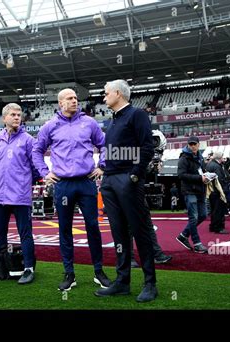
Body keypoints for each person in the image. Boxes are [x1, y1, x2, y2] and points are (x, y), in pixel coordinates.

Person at [32, 88, 111, 291]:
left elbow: (105, 145)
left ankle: (99, 271)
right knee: (65, 229)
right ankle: (69, 273)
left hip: (86, 182)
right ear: (60, 103)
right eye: (70, 98)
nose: (75, 101)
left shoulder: (89, 123)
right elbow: (36, 150)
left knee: (93, 226)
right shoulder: (50, 126)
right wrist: (44, 172)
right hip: (63, 184)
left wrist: (102, 165)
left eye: (76, 98)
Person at [95, 79, 157, 302]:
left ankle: (150, 283)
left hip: (127, 179)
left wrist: (135, 174)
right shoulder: (112, 121)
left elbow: (148, 147)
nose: (104, 97)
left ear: (118, 93)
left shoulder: (136, 115)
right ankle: (122, 281)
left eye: (106, 92)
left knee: (139, 231)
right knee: (118, 233)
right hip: (110, 181)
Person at [0, 103, 37, 285]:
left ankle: (28, 269)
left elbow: (35, 167)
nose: (17, 117)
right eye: (13, 114)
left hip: (20, 195)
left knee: (25, 233)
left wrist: (23, 182)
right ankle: (0, 267)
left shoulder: (28, 140)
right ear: (4, 119)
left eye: (19, 115)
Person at [175, 136, 209, 253]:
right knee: (193, 217)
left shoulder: (200, 157)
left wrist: (208, 176)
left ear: (199, 145)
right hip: (190, 191)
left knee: (203, 215)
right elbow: (181, 175)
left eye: (195, 144)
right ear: (188, 145)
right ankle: (197, 243)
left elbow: (202, 171)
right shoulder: (183, 158)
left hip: (200, 190)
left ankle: (183, 235)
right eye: (191, 144)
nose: (193, 146)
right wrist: (200, 178)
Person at [206, 151, 230, 234]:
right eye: (222, 157)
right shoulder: (217, 166)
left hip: (211, 191)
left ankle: (213, 226)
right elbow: (219, 180)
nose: (223, 159)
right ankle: (219, 227)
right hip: (218, 191)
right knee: (219, 210)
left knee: (213, 210)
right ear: (220, 158)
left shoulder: (209, 164)